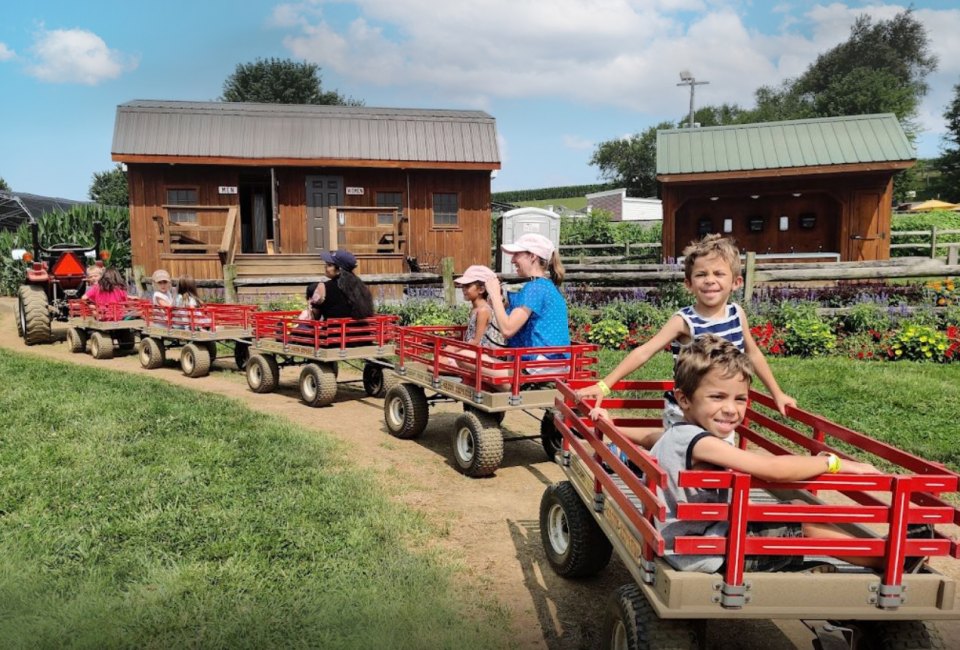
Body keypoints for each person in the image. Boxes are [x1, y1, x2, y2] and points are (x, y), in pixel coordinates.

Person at [652, 335, 897, 574]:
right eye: (717, 397)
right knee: (800, 518)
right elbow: (772, 469)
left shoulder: (678, 434)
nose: (730, 409)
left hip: (692, 543)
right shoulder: (701, 442)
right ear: (683, 399)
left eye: (740, 399)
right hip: (706, 553)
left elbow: (651, 440)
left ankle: (798, 568)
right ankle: (880, 560)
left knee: (784, 511)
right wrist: (831, 463)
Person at [579, 234, 796, 448]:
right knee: (681, 459)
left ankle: (634, 454)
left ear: (736, 282)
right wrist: (604, 386)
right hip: (687, 411)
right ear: (688, 283)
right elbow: (645, 351)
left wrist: (777, 393)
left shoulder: (737, 314)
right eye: (701, 274)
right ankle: (629, 454)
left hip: (723, 411)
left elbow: (753, 353)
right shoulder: (684, 321)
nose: (710, 280)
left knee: (715, 465)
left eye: (719, 273)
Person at [483, 233, 570, 378]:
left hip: (538, 367)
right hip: (551, 364)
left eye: (517, 254)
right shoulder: (544, 285)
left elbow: (508, 329)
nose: (512, 260)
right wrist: (502, 306)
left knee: (463, 357)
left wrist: (493, 294)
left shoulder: (535, 287)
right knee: (465, 357)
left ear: (532, 256)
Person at [439, 265, 505, 371]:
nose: (463, 289)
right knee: (439, 359)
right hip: (471, 351)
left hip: (481, 354)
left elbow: (476, 341)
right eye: (463, 286)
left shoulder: (483, 311)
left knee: (435, 365)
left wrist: (455, 348)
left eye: (467, 286)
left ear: (481, 289)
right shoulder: (475, 309)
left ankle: (464, 372)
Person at [311, 249, 374, 320]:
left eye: (329, 265)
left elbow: (315, 316)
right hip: (360, 330)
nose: (325, 267)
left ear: (339, 270)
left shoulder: (323, 287)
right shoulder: (362, 287)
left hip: (334, 330)